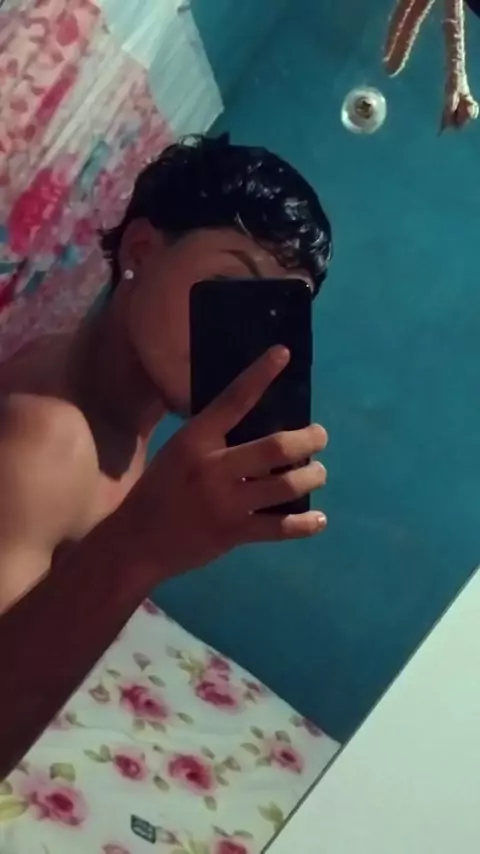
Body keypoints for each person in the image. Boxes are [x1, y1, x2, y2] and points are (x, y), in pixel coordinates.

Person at [0, 133, 332, 777]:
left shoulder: (110, 402)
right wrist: (144, 546)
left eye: (272, 314)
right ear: (142, 252)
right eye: (227, 289)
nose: (243, 338)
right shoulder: (48, 440)